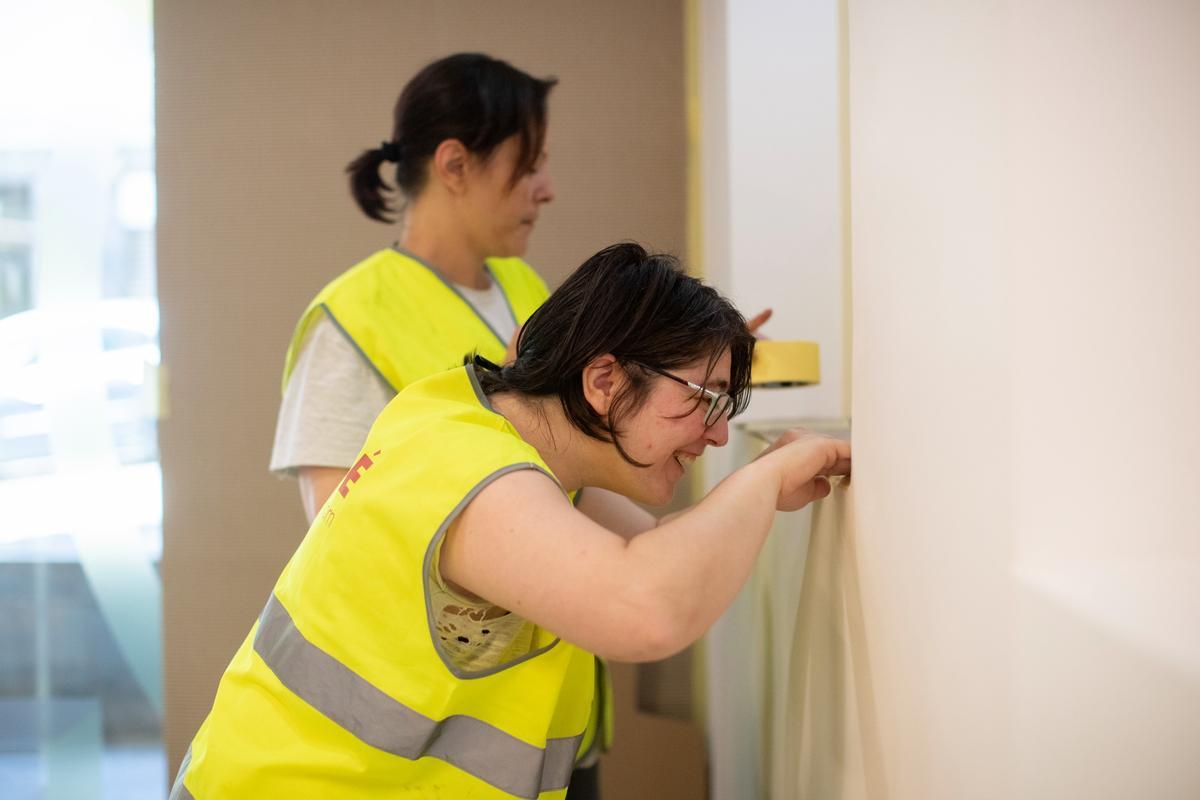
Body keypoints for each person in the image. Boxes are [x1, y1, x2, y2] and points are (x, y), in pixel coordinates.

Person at [171, 243, 851, 800]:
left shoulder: (474, 422)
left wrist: (757, 492)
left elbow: (653, 550)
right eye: (703, 401)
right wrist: (762, 481)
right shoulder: (471, 468)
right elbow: (648, 609)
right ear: (604, 380)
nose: (716, 437)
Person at [270, 52, 558, 524]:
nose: (546, 189)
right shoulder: (350, 317)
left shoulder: (526, 287)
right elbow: (340, 537)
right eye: (529, 165)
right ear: (455, 165)